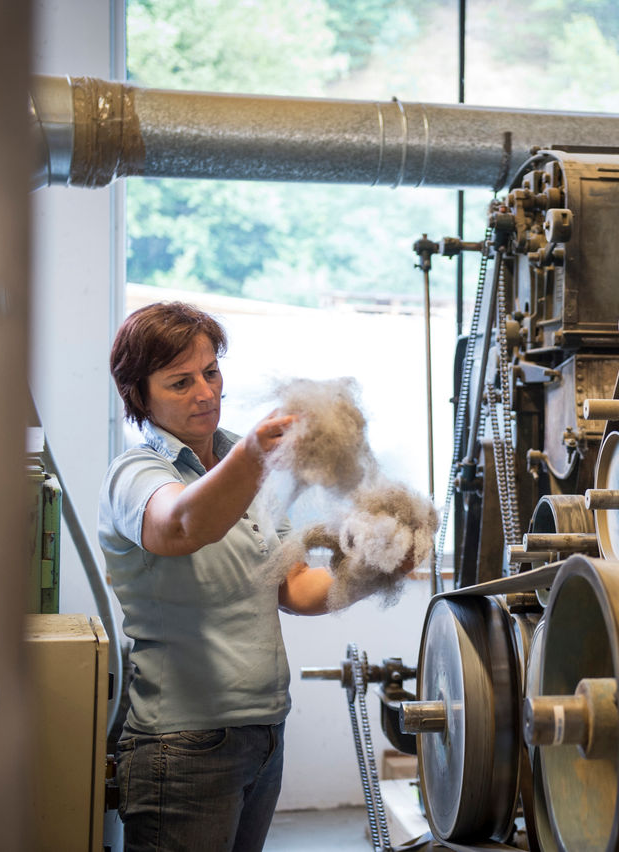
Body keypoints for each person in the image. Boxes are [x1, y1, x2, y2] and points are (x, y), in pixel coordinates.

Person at [98, 301, 402, 852]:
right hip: (181, 746)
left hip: (263, 735)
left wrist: (373, 572)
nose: (206, 393)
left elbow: (294, 587)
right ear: (139, 396)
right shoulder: (136, 474)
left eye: (211, 372)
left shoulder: (249, 471)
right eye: (180, 382)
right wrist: (254, 452)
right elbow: (182, 525)